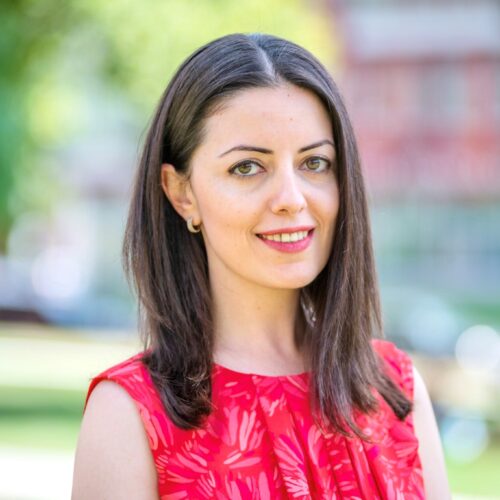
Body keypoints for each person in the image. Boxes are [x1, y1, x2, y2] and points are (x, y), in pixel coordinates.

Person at [72, 33, 450, 499]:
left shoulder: (396, 390)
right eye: (247, 168)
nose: (292, 199)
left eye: (315, 163)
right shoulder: (129, 416)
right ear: (181, 193)